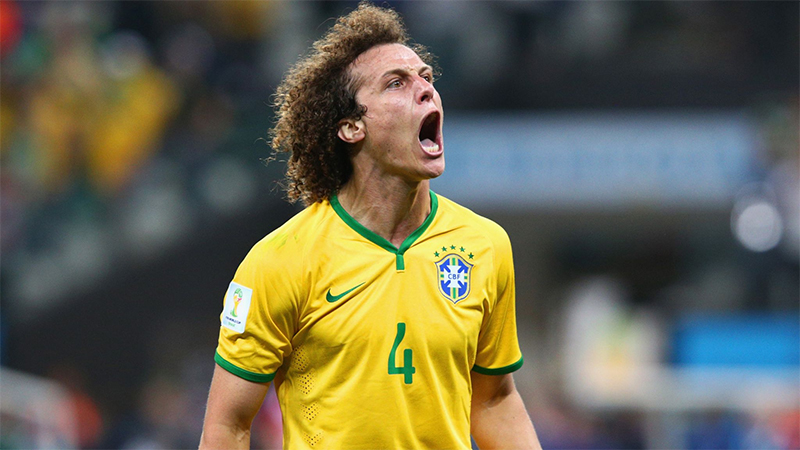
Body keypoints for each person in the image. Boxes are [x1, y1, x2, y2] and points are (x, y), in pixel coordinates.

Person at [200, 3, 541, 449]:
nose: (426, 90)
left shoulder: (485, 245)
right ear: (351, 127)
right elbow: (228, 426)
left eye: (426, 77)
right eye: (396, 83)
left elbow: (494, 399)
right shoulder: (280, 261)